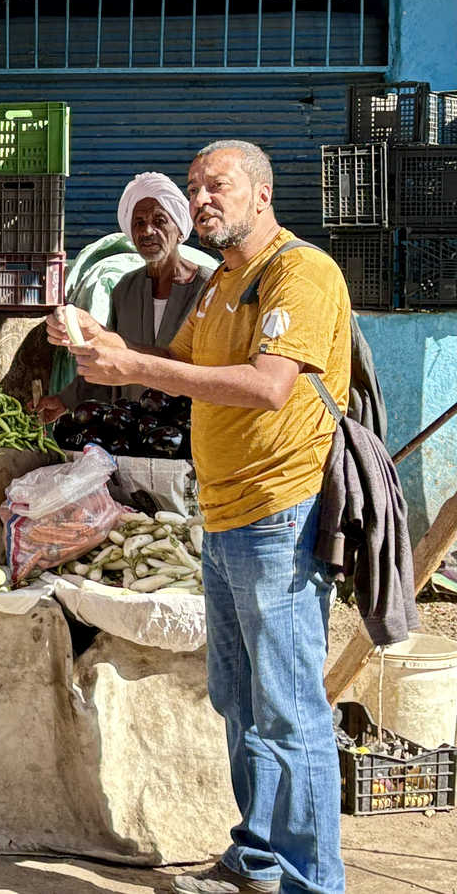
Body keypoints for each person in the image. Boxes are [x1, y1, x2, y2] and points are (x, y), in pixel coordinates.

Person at [49, 140, 348, 894]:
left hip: (279, 513)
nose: (203, 198)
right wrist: (94, 337)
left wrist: (135, 366)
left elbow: (267, 385)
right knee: (240, 701)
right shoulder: (224, 284)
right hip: (223, 515)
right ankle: (257, 859)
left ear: (262, 193)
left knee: (287, 708)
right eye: (196, 186)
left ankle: (312, 880)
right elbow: (166, 362)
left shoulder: (298, 272)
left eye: (218, 185)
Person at [36, 171, 214, 420]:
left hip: (190, 427)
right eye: (138, 223)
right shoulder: (125, 289)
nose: (147, 231)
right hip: (134, 428)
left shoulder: (209, 288)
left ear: (180, 230)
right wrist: (65, 400)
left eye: (160, 220)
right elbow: (110, 361)